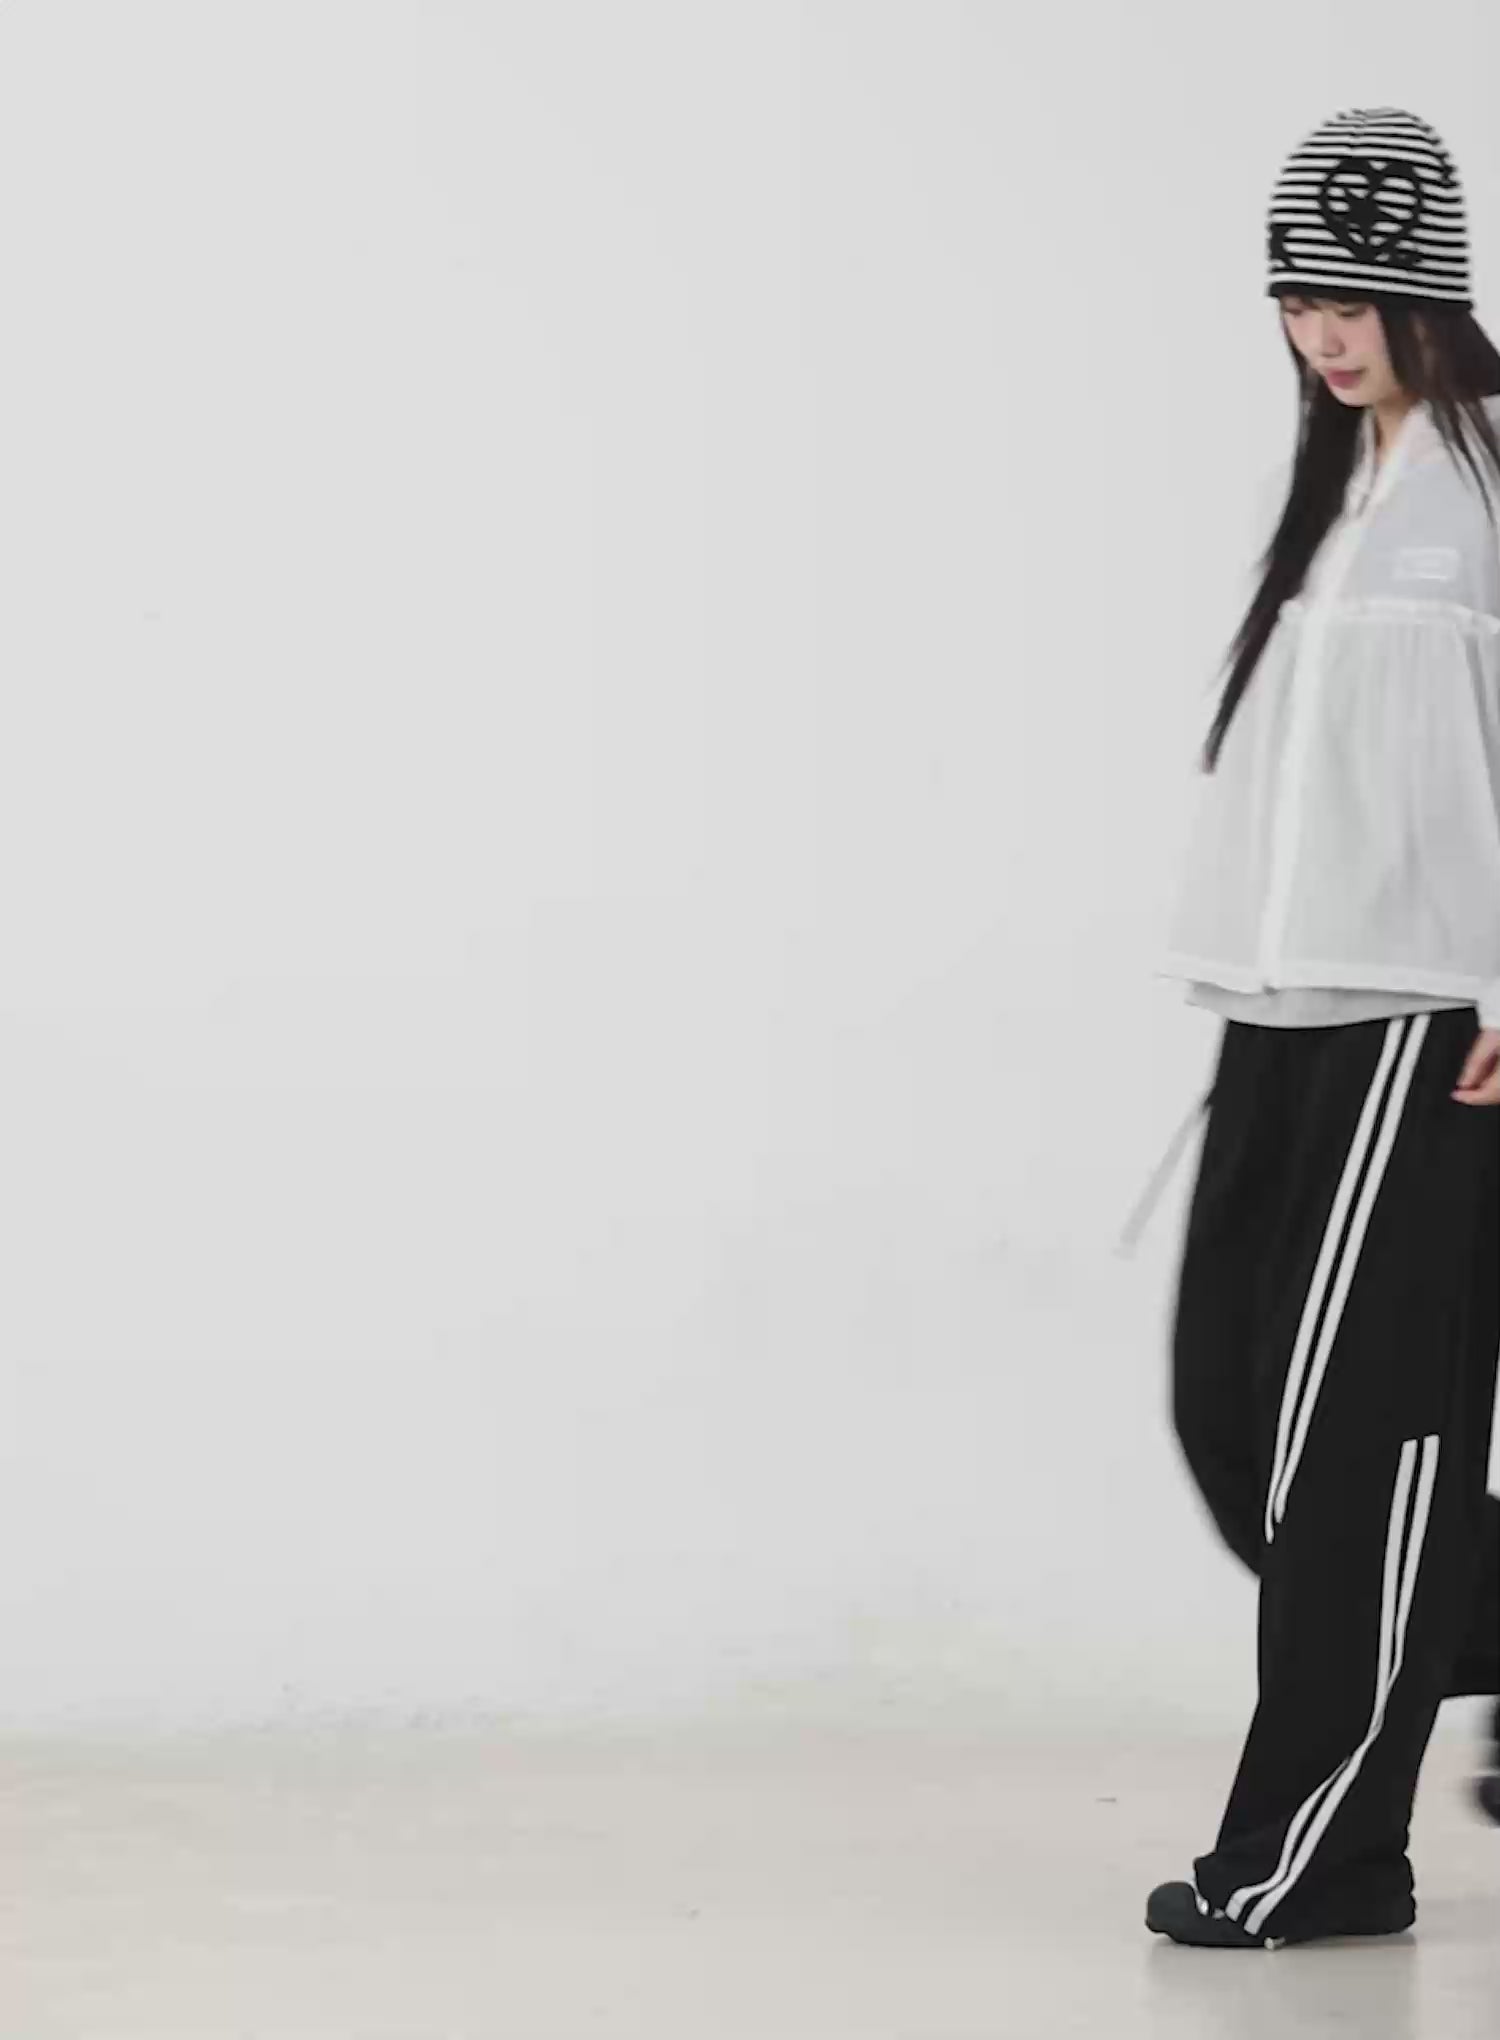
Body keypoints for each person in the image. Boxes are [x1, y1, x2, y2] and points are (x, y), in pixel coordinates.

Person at [1147, 104, 1500, 1950]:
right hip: (1278, 1017)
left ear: (1430, 290)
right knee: (1230, 1416)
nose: (1322, 332)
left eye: (1353, 298)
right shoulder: (1347, 489)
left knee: (1346, 1462)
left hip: (1423, 1024)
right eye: (1297, 299)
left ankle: (1316, 1859)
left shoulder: (1485, 482)